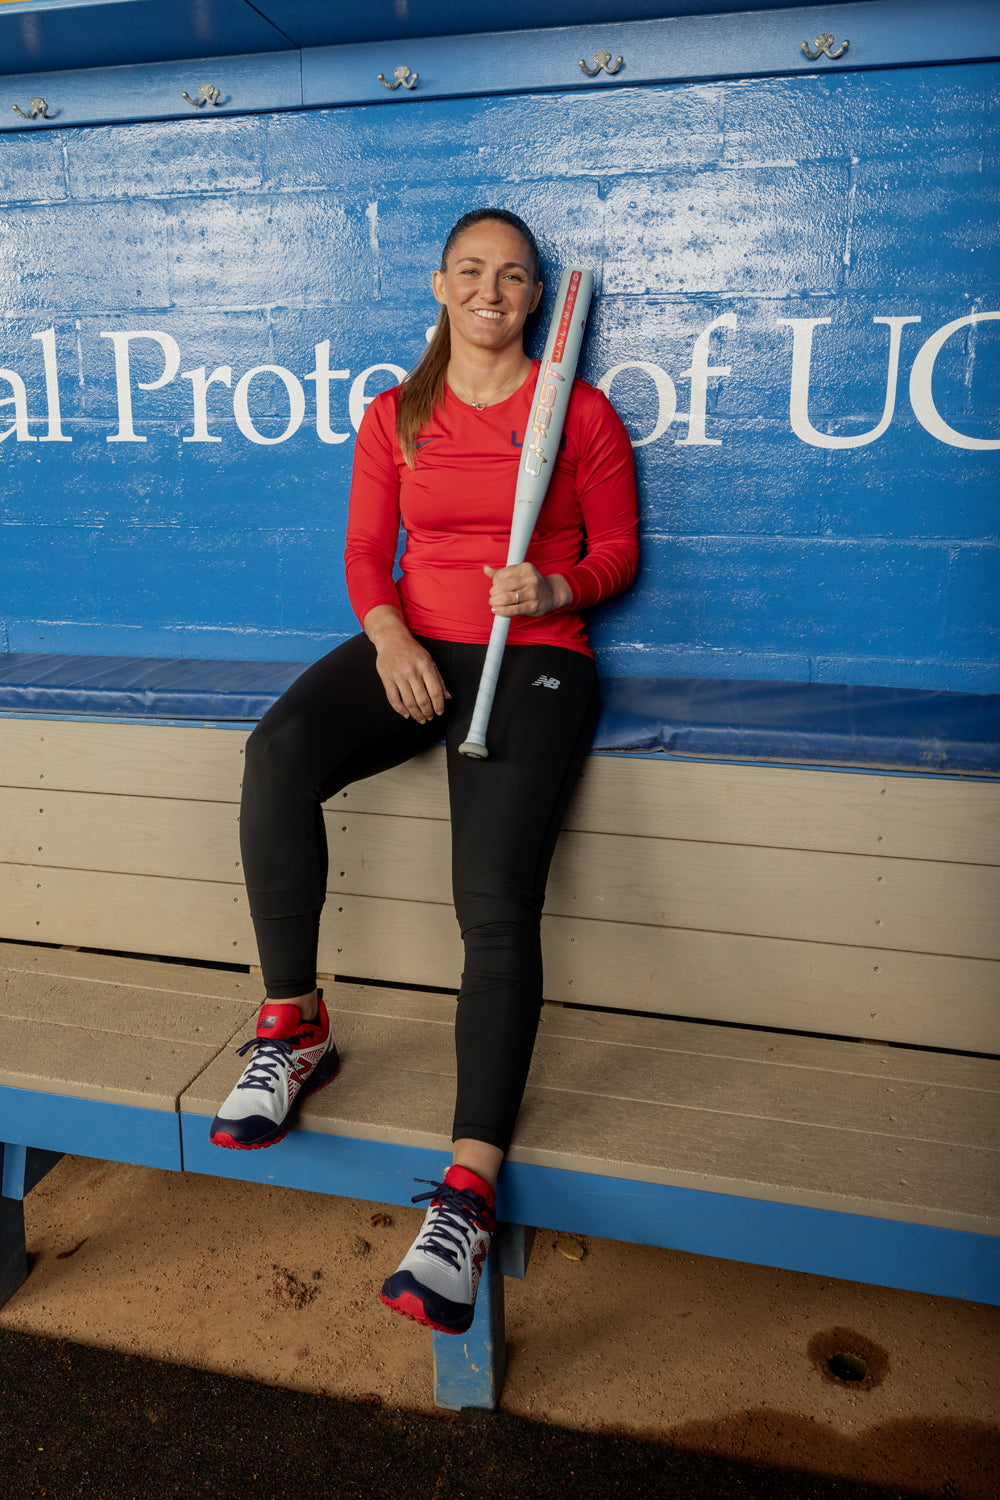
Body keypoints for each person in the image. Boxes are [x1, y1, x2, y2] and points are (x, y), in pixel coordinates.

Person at [210, 207, 639, 1335]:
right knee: (279, 752)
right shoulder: (395, 415)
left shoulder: (576, 412)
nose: (491, 290)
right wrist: (390, 636)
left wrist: (555, 591)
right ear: (438, 285)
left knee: (491, 905)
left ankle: (465, 1195)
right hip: (419, 647)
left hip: (535, 661)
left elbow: (617, 552)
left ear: (536, 298)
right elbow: (364, 553)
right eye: (471, 272)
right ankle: (293, 1024)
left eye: (513, 277)